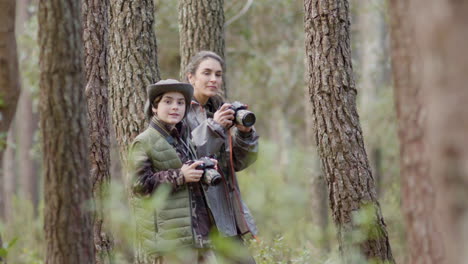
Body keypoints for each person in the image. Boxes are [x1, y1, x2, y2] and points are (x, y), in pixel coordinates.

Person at [128, 79, 218, 264]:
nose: (175, 107)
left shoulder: (183, 137)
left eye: (180, 102)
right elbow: (139, 185)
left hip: (200, 235)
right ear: (154, 107)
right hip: (172, 240)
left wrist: (201, 167)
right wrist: (180, 176)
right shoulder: (144, 141)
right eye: (167, 102)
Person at [185, 51, 259, 264]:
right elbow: (186, 156)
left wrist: (245, 133)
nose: (213, 79)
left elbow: (238, 163)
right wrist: (214, 126)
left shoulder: (218, 109)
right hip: (196, 212)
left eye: (218, 74)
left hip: (224, 210)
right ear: (191, 77)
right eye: (206, 73)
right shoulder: (178, 110)